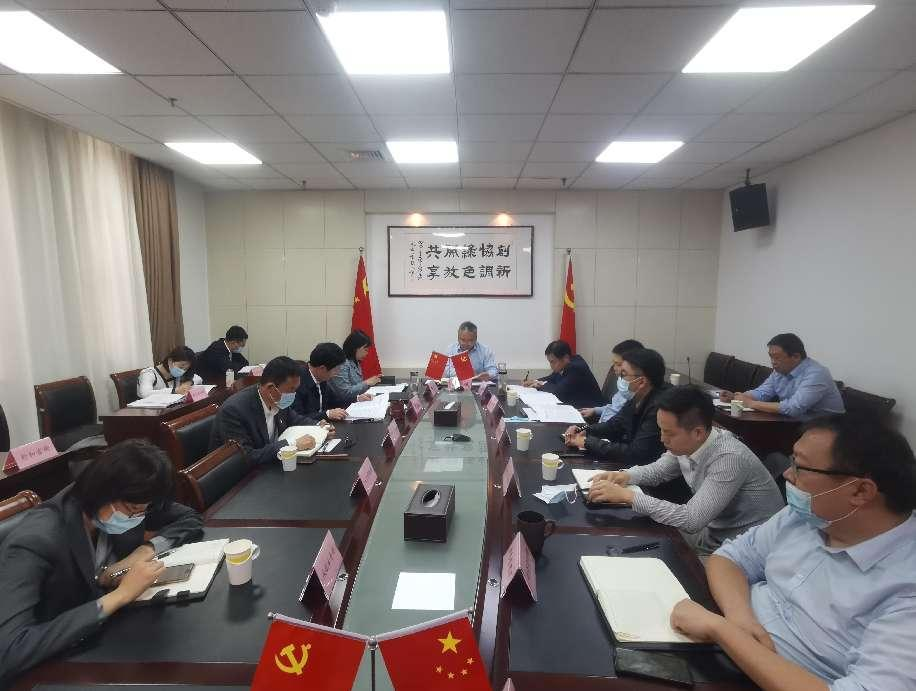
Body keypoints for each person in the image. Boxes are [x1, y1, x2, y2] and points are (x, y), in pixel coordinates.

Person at [669, 414, 916, 690]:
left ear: (860, 491)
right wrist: (740, 619)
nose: (787, 474)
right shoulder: (810, 516)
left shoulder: (906, 589)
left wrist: (724, 631)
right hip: (719, 639)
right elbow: (728, 559)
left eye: (800, 466)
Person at [0, 440, 203, 681]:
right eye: (133, 509)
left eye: (144, 510)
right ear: (103, 492)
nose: (138, 517)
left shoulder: (128, 501)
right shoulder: (35, 540)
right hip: (47, 669)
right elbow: (10, 651)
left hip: (106, 640)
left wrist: (143, 552)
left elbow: (189, 518)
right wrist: (120, 595)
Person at [588, 386, 784, 554]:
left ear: (697, 432)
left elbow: (692, 519)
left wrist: (628, 497)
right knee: (632, 536)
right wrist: (625, 475)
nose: (662, 439)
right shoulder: (692, 442)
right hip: (712, 533)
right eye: (661, 430)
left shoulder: (729, 458)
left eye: (669, 433)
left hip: (744, 549)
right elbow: (659, 470)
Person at [210, 356, 327, 465]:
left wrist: (319, 426)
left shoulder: (277, 399)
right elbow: (245, 457)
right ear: (271, 388)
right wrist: (292, 445)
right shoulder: (234, 410)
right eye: (291, 390)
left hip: (271, 464)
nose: (294, 395)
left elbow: (294, 418)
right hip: (246, 475)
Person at [563, 348, 670, 466]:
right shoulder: (637, 396)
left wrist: (587, 442)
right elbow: (614, 425)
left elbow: (636, 454)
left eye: (623, 374)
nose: (619, 377)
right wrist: (583, 430)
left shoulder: (660, 408)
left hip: (646, 469)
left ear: (641, 382)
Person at [720, 333, 844, 418]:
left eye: (777, 357)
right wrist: (736, 397)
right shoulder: (779, 371)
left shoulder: (817, 374)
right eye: (771, 357)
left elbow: (794, 408)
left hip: (827, 429)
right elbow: (762, 393)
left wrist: (750, 403)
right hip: (795, 423)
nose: (773, 362)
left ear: (796, 356)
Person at [523, 340, 603, 408]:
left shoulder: (576, 368)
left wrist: (540, 385)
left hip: (591, 411)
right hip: (576, 405)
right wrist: (535, 381)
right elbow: (552, 377)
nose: (551, 365)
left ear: (565, 358)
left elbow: (558, 391)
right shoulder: (567, 364)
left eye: (553, 362)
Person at [579, 339, 644, 424]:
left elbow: (617, 424)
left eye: (619, 364)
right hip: (602, 425)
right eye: (614, 363)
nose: (614, 368)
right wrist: (595, 410)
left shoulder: (634, 393)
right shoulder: (624, 384)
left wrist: (590, 430)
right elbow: (614, 407)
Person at [293, 343, 351, 422]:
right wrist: (326, 414)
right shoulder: (297, 383)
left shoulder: (322, 378)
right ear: (322, 368)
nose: (337, 373)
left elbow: (336, 401)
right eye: (336, 369)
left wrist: (357, 398)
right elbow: (297, 418)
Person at [329, 330, 381, 404]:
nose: (367, 353)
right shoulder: (342, 363)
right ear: (355, 347)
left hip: (355, 402)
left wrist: (372, 382)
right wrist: (367, 383)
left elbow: (357, 387)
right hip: (342, 406)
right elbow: (344, 393)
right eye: (365, 350)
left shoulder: (355, 362)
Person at [136, 346, 200, 399]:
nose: (182, 371)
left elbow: (198, 379)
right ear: (170, 361)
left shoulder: (177, 374)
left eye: (186, 369)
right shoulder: (148, 373)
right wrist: (175, 390)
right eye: (181, 367)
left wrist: (188, 382)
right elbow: (145, 393)